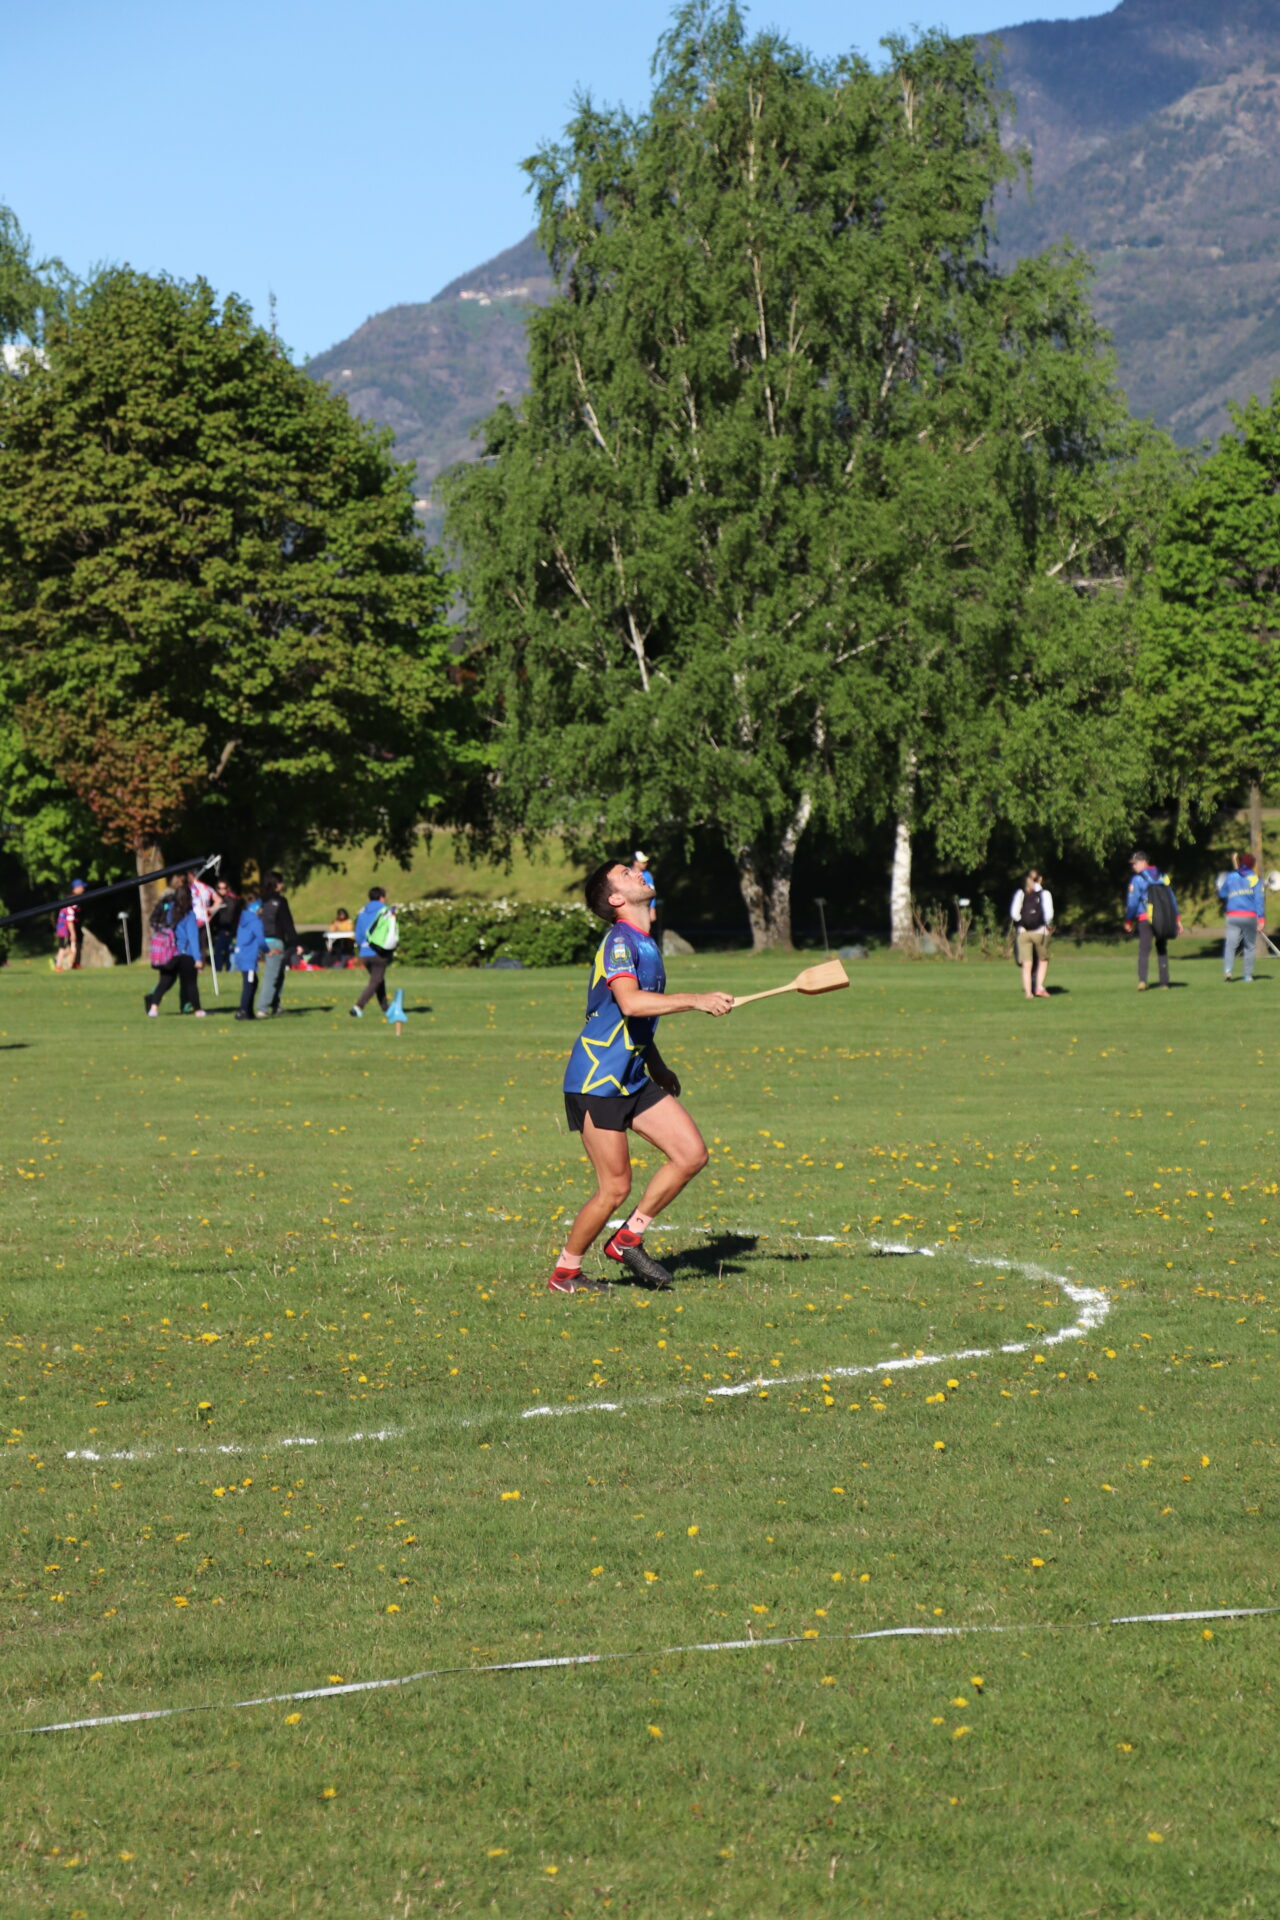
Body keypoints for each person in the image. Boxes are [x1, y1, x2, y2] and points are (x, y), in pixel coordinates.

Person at [551, 858, 733, 1294]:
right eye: (626, 874)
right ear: (616, 899)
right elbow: (631, 1003)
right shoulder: (618, 941)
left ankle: (627, 1239)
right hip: (597, 1080)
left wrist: (656, 1064)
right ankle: (565, 1273)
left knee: (690, 1154)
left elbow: (634, 1021)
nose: (637, 874)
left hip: (631, 1076)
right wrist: (696, 1000)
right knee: (614, 1188)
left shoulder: (644, 942)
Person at [144, 879, 205, 1016]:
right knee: (191, 984)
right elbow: (193, 938)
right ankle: (198, 1010)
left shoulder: (170, 910)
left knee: (164, 982)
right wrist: (198, 958)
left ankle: (153, 1008)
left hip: (169, 953)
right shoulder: (189, 915)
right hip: (186, 953)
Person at [1124, 850, 1183, 991]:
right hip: (1163, 917)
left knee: (1144, 949)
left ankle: (1142, 981)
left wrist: (1128, 920)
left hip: (1145, 917)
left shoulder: (1137, 879)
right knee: (1162, 948)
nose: (1133, 866)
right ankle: (1164, 983)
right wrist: (1177, 919)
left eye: (1135, 863)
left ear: (1144, 862)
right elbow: (1172, 899)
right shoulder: (1163, 876)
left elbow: (1133, 902)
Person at [1218, 852, 1266, 983]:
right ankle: (1247, 976)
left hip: (1232, 915)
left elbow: (1222, 893)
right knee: (1249, 946)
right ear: (1252, 865)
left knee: (1230, 945)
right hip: (1250, 916)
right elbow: (1259, 900)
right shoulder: (1255, 879)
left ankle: (1228, 972)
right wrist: (1261, 918)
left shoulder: (1231, 876)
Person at [255, 872, 298, 1017]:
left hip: (259, 941)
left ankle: (275, 1005)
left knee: (278, 975)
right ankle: (262, 1008)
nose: (282, 885)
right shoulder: (280, 901)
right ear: (276, 884)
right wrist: (296, 943)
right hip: (274, 942)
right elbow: (288, 924)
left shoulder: (259, 901)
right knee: (272, 976)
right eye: (281, 882)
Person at [350, 887, 396, 1016]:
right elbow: (391, 930)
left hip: (365, 952)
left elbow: (358, 936)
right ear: (382, 897)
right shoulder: (386, 911)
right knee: (376, 980)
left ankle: (385, 1008)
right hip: (379, 951)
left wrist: (364, 945)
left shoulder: (362, 913)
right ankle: (358, 1007)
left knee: (378, 979)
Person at [1010, 869, 1054, 999]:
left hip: (1023, 932)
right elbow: (1049, 914)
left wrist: (1022, 923)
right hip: (1040, 932)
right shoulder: (1045, 894)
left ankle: (1028, 993)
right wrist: (1048, 926)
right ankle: (1039, 987)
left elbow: (1014, 913)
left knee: (1026, 964)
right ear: (1040, 879)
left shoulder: (1021, 893)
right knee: (1043, 960)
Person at [231, 890, 266, 1019]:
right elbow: (261, 939)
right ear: (256, 908)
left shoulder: (244, 917)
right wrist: (267, 951)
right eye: (261, 907)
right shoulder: (255, 921)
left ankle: (249, 1011)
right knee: (249, 984)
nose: (262, 910)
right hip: (248, 957)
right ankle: (243, 1010)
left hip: (242, 954)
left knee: (253, 981)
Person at [209, 879, 241, 973]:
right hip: (218, 929)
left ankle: (227, 968)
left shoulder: (230, 900)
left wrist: (229, 929)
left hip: (226, 929)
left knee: (225, 950)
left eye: (224, 888)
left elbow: (230, 916)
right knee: (218, 949)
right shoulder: (216, 899)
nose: (222, 890)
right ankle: (219, 968)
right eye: (220, 888)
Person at [54, 878, 86, 971]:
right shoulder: (72, 901)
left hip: (67, 928)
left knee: (69, 946)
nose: (83, 889)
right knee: (63, 947)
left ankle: (74, 963)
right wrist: (73, 933)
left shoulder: (72, 899)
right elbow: (69, 920)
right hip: (64, 929)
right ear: (76, 888)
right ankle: (57, 965)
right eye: (82, 887)